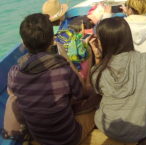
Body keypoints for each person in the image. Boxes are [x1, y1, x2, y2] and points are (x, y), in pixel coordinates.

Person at [4, 13, 97, 145]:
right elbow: (81, 94)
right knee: (96, 106)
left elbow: (13, 94)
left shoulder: (15, 73)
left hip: (40, 138)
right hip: (69, 138)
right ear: (52, 40)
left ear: (24, 43)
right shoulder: (63, 69)